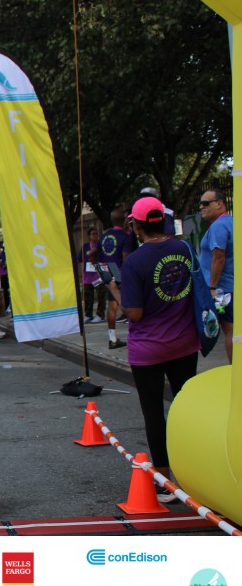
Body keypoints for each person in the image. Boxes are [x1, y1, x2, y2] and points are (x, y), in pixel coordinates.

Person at [105, 196, 198, 502]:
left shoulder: (135, 262)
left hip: (148, 350)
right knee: (185, 410)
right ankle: (194, 477)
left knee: (154, 413)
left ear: (136, 225)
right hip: (185, 343)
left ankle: (164, 481)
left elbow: (134, 313)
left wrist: (114, 290)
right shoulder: (184, 249)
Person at [198, 189, 233, 362]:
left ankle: (236, 372)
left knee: (230, 330)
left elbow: (218, 257)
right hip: (228, 287)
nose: (201, 207)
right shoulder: (230, 222)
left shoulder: (219, 226)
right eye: (200, 204)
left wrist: (212, 287)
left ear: (219, 204)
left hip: (222, 290)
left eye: (206, 203)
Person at [93, 209, 136, 349]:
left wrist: (98, 269)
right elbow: (126, 258)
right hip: (121, 272)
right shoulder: (125, 236)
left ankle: (112, 339)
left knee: (112, 306)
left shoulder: (104, 236)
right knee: (129, 304)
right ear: (123, 220)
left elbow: (92, 253)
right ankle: (135, 336)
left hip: (107, 270)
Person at [79, 228, 106, 323]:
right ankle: (88, 314)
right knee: (88, 296)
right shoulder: (85, 247)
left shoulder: (101, 246)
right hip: (88, 276)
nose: (95, 236)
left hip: (98, 275)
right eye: (93, 234)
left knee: (100, 296)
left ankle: (100, 314)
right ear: (89, 236)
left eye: (96, 234)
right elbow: (81, 260)